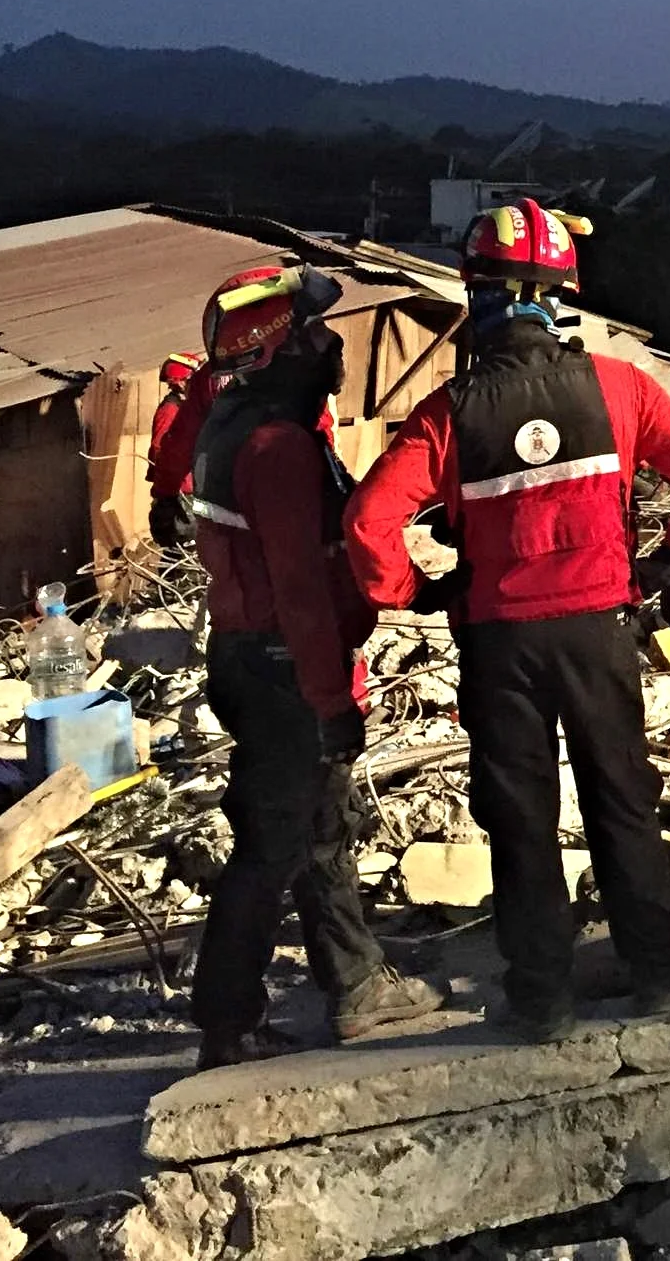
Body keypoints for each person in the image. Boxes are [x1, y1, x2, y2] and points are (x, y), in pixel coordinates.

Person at [345, 201, 670, 1037]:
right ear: (562, 293)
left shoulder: (451, 411)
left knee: (521, 814)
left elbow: (367, 521)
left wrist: (412, 590)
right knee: (622, 797)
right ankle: (658, 971)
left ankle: (541, 995)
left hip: (499, 639)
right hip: (598, 626)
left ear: (478, 295)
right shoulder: (619, 384)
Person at [186, 264, 440, 1069]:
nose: (331, 344)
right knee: (273, 845)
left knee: (317, 829)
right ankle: (228, 1022)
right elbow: (298, 585)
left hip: (255, 657)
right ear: (277, 350)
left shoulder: (243, 427)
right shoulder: (276, 448)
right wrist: (331, 697)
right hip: (281, 667)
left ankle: (358, 980)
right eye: (312, 331)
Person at [147, 353, 207, 549]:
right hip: (179, 494)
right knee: (184, 547)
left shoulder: (187, 408)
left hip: (189, 490)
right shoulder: (171, 410)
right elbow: (160, 450)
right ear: (181, 382)